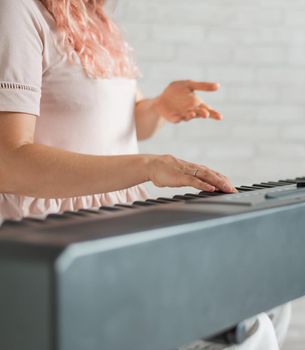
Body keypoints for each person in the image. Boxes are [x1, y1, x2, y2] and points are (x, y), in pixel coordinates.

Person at [0, 0, 288, 348]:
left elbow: (126, 122)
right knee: (249, 331)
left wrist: (157, 107)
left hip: (119, 228)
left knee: (271, 301)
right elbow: (8, 162)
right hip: (54, 241)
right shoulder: (17, 11)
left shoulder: (95, 19)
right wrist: (148, 167)